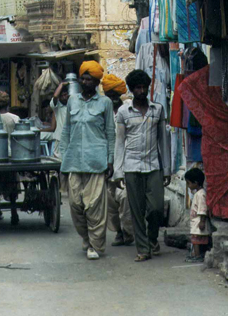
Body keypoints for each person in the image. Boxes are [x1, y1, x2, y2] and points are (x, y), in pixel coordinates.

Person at [60, 61, 115, 260]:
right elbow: (66, 131)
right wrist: (63, 158)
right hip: (74, 161)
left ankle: (95, 245)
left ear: (96, 81)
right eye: (83, 77)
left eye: (89, 78)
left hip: (96, 161)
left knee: (94, 207)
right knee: (75, 206)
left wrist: (110, 160)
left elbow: (110, 132)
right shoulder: (72, 101)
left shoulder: (105, 103)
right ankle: (86, 237)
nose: (85, 81)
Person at [114, 69, 171, 262]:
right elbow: (120, 143)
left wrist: (168, 169)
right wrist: (118, 171)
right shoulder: (123, 112)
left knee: (155, 208)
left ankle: (152, 238)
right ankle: (143, 249)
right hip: (131, 166)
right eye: (137, 87)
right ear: (131, 90)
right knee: (136, 211)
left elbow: (164, 141)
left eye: (144, 87)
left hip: (153, 165)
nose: (141, 90)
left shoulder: (158, 109)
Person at [102, 74, 134, 247]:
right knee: (110, 201)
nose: (113, 99)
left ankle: (129, 231)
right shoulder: (102, 112)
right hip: (108, 162)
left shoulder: (128, 109)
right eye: (110, 95)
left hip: (126, 161)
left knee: (124, 198)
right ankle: (119, 232)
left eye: (116, 95)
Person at [0, 91, 20, 225]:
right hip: (12, 154)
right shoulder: (15, 118)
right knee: (12, 181)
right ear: (8, 103)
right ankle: (13, 212)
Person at [185, 168, 211, 263]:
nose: (188, 186)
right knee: (196, 240)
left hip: (199, 221)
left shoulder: (200, 195)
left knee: (196, 240)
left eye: (189, 183)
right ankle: (197, 254)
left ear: (195, 182)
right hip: (196, 221)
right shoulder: (198, 193)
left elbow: (203, 208)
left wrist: (202, 221)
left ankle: (198, 255)